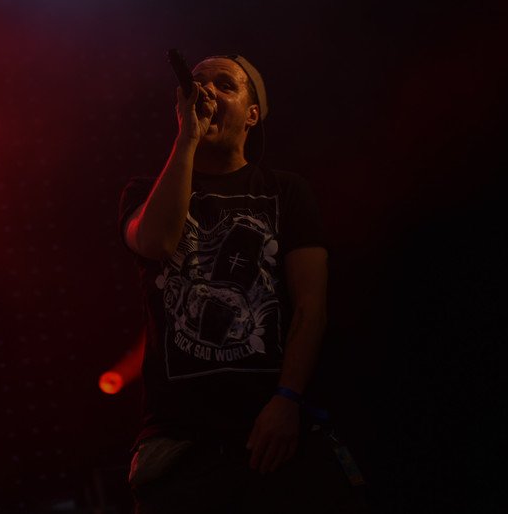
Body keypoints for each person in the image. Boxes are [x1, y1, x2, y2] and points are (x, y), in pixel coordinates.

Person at [119, 54, 366, 513]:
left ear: (252, 115)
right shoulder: (143, 192)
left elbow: (310, 307)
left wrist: (287, 398)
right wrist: (188, 137)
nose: (207, 91)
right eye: (197, 82)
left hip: (271, 433)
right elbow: (156, 242)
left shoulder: (285, 190)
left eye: (224, 85)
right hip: (180, 447)